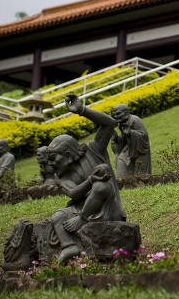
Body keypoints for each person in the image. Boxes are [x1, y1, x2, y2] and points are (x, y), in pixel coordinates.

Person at [48, 95, 127, 261]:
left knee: (101, 187)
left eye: (53, 158)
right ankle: (69, 247)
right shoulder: (60, 176)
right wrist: (90, 179)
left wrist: (82, 110)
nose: (51, 163)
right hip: (79, 209)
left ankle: (82, 220)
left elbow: (110, 124)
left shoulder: (94, 150)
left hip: (106, 208)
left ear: (67, 154)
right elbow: (73, 193)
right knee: (58, 216)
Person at [109, 103, 151, 177]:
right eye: (114, 115)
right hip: (128, 149)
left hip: (139, 149)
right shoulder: (121, 124)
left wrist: (130, 133)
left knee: (140, 174)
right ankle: (123, 182)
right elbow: (124, 140)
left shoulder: (135, 120)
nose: (115, 116)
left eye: (118, 113)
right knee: (120, 161)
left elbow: (144, 136)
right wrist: (116, 139)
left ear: (126, 112)